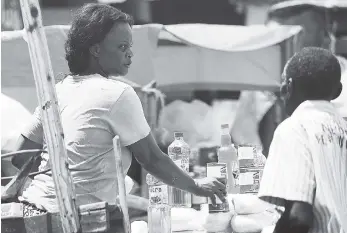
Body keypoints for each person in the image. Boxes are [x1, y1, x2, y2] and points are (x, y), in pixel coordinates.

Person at [4, 3, 226, 213]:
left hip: (33, 210)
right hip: (80, 218)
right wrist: (197, 186)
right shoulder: (117, 94)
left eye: (129, 47)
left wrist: (59, 185)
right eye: (122, 47)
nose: (130, 53)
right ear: (96, 50)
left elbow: (21, 157)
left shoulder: (56, 92)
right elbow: (151, 159)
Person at [258, 47, 347, 233]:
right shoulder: (344, 129)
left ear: (287, 87)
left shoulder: (293, 129)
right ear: (338, 91)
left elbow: (298, 216)